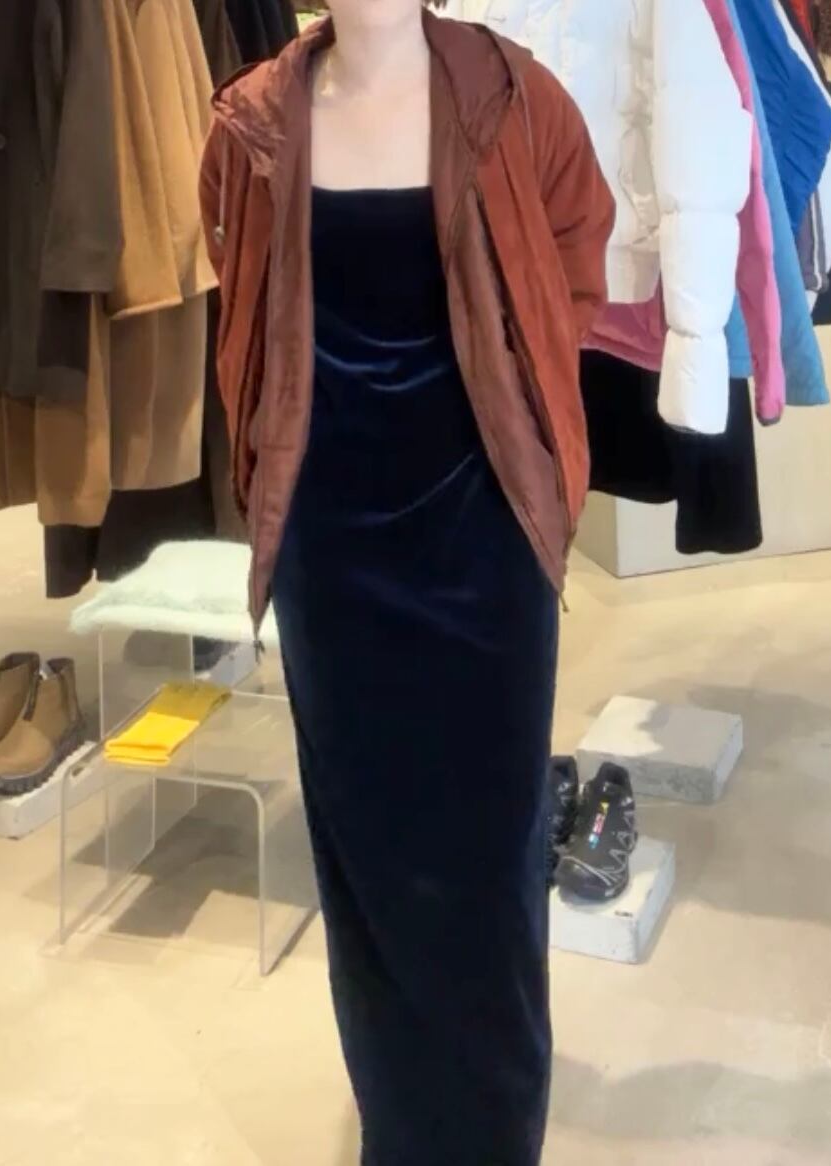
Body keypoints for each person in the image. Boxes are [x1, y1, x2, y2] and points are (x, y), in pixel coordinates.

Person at [200, 2, 613, 1161]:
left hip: (486, 540)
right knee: (370, 866)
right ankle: (402, 1130)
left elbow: (578, 257)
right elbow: (244, 298)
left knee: (486, 863)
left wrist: (525, 407)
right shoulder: (252, 124)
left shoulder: (513, 99)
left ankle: (492, 1135)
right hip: (331, 553)